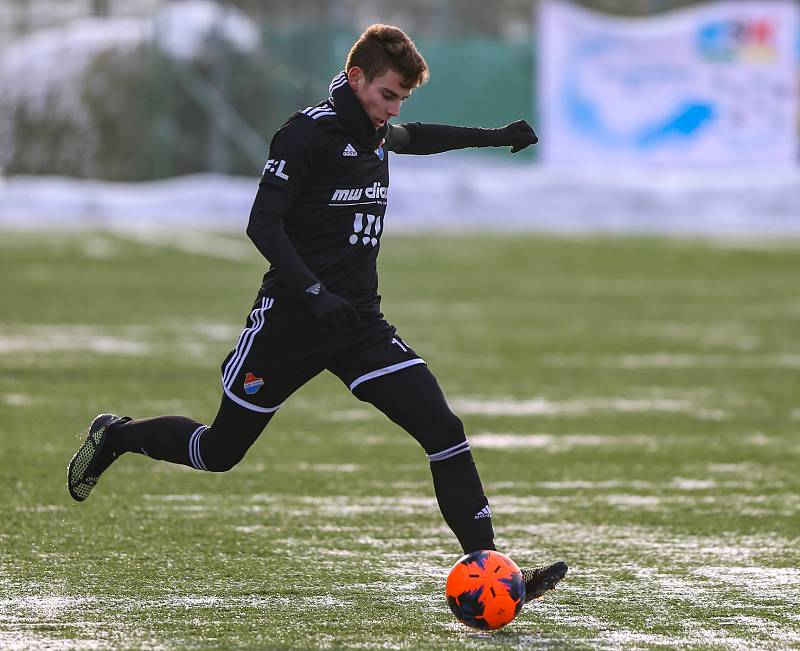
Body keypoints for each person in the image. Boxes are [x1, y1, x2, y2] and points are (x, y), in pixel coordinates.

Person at [67, 24, 567, 604]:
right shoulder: (306, 134)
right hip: (289, 324)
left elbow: (417, 137)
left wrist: (493, 135)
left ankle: (492, 571)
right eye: (387, 95)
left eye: (402, 98)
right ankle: (119, 436)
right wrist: (311, 292)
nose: (393, 109)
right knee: (218, 452)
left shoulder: (377, 130)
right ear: (356, 79)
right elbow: (263, 224)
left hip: (358, 327)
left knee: (443, 431)